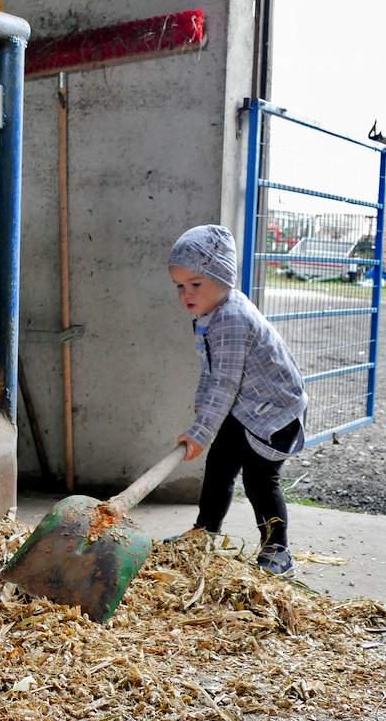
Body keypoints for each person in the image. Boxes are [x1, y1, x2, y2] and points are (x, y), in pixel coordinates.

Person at [168, 224, 307, 575]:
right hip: (244, 408)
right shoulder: (208, 316)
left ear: (223, 277)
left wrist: (201, 432)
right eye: (180, 286)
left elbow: (225, 384)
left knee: (260, 481)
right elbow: (211, 371)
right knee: (219, 467)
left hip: (274, 415)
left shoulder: (232, 318)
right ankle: (204, 534)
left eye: (195, 284)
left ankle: (277, 547)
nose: (187, 294)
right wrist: (203, 412)